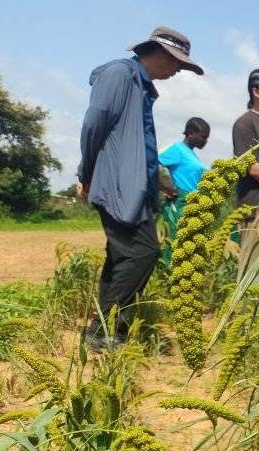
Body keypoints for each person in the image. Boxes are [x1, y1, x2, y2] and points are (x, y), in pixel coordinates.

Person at [77, 26, 203, 350]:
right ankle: (103, 328)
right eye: (178, 63)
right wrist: (86, 172)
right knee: (144, 252)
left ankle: (107, 330)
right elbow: (94, 124)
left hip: (135, 190)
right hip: (118, 187)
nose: (178, 71)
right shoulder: (120, 74)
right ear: (160, 53)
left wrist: (158, 184)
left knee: (121, 257)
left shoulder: (142, 86)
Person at [232, 67, 259, 277]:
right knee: (252, 273)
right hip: (255, 209)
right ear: (257, 92)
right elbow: (253, 168)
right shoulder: (244, 124)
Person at [158, 117, 211, 268]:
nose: (206, 141)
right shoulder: (177, 150)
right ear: (191, 133)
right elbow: (151, 164)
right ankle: (167, 277)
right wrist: (165, 186)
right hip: (180, 204)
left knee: (191, 248)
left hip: (194, 204)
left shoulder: (191, 154)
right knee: (176, 242)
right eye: (203, 137)